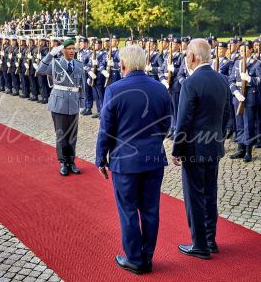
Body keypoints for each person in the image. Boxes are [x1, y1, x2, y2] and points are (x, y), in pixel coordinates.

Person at [96, 45, 171, 275]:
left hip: (125, 161)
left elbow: (106, 129)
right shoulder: (160, 89)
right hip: (153, 159)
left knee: (128, 210)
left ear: (123, 65)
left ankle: (135, 259)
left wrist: (101, 157)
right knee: (150, 209)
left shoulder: (114, 89)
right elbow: (168, 124)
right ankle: (147, 256)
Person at [171, 38, 230, 260]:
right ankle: (210, 240)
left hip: (195, 149)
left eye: (187, 54)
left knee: (195, 196)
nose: (186, 57)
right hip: (213, 146)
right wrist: (217, 137)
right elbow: (226, 115)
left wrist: (177, 149)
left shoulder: (191, 83)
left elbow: (183, 120)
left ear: (194, 56)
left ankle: (200, 244)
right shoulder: (222, 80)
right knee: (209, 194)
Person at [37, 38, 84, 176]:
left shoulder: (79, 65)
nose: (71, 51)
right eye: (68, 49)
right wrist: (51, 54)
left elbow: (83, 86)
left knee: (72, 136)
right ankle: (63, 162)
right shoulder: (55, 63)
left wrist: (81, 103)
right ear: (62, 50)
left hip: (74, 103)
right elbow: (40, 70)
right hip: (59, 103)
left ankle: (71, 161)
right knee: (61, 135)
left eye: (73, 49)